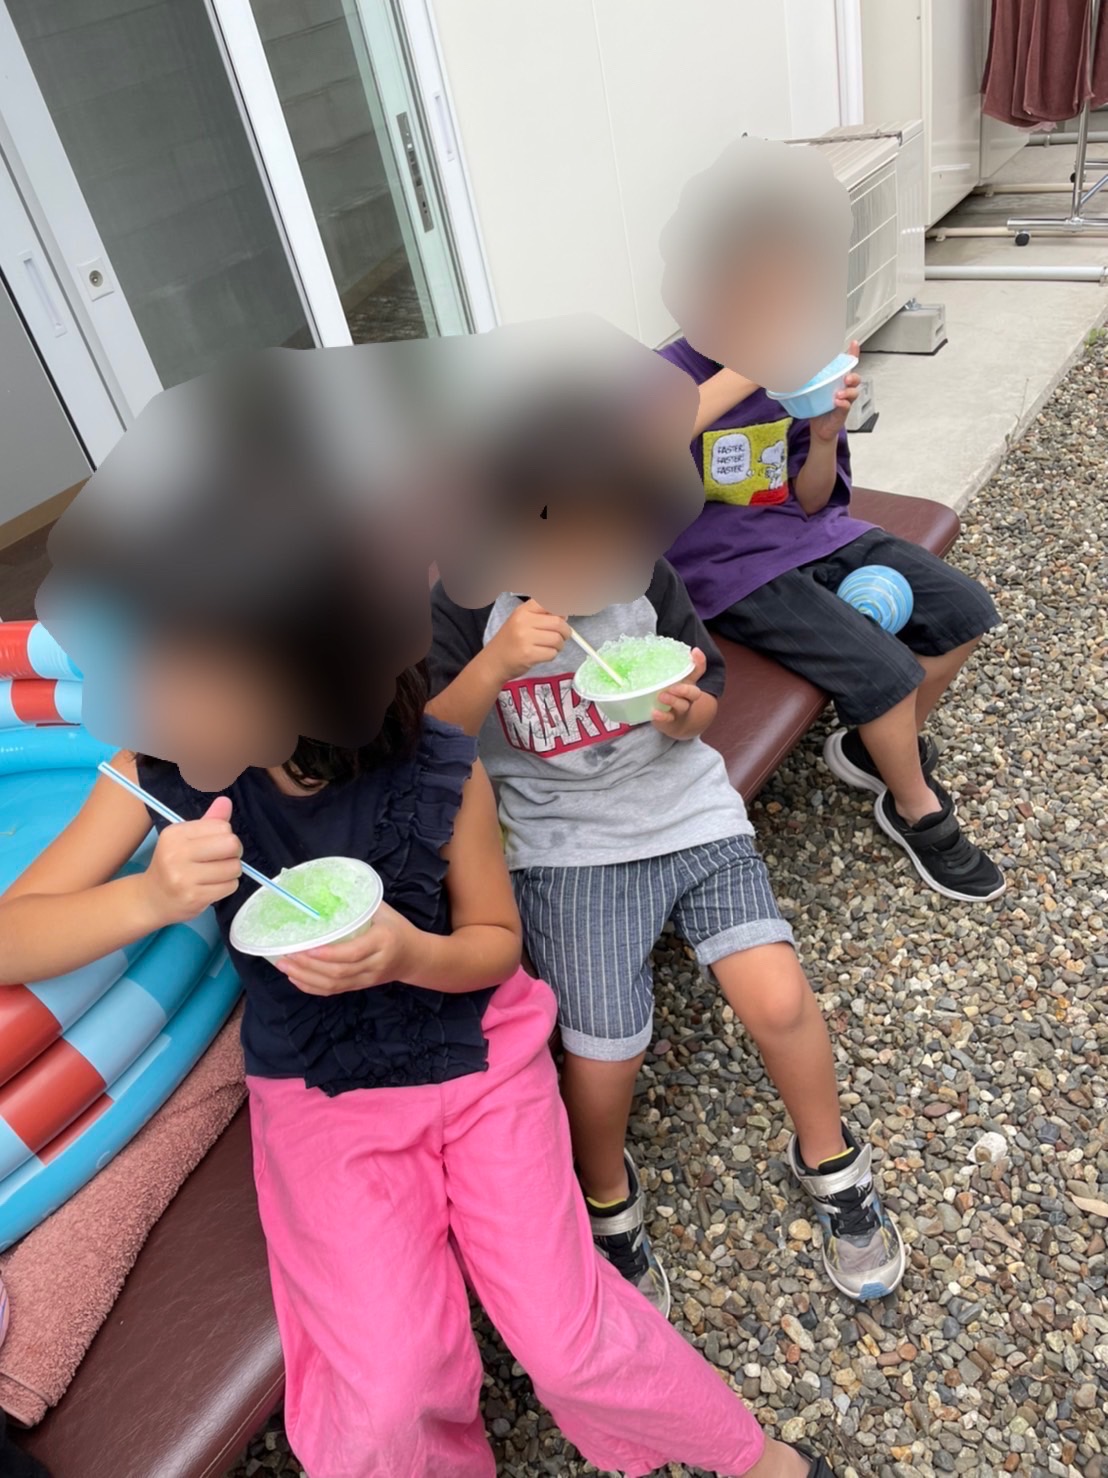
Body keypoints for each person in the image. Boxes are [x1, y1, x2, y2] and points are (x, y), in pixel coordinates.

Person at [0, 656, 838, 1478]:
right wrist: (147, 898)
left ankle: (758, 1460)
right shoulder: (153, 768)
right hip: (321, 1088)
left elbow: (494, 944)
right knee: (387, 1396)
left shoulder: (435, 762)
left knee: (568, 1343)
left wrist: (408, 955)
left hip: (481, 1059)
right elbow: (12, 938)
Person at [427, 439, 906, 1320]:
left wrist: (687, 714)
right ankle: (607, 1197)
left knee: (780, 1000)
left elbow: (704, 690)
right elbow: (432, 740)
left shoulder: (644, 580)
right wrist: (495, 666)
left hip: (689, 813)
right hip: (567, 847)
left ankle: (832, 1161)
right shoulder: (466, 607)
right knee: (606, 1051)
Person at [658, 335, 1005, 904]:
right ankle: (914, 808)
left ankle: (871, 751)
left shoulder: (799, 372)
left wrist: (823, 435)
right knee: (884, 673)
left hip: (813, 534)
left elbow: (814, 501)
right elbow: (639, 446)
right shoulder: (660, 376)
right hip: (723, 566)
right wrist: (753, 365)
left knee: (962, 612)